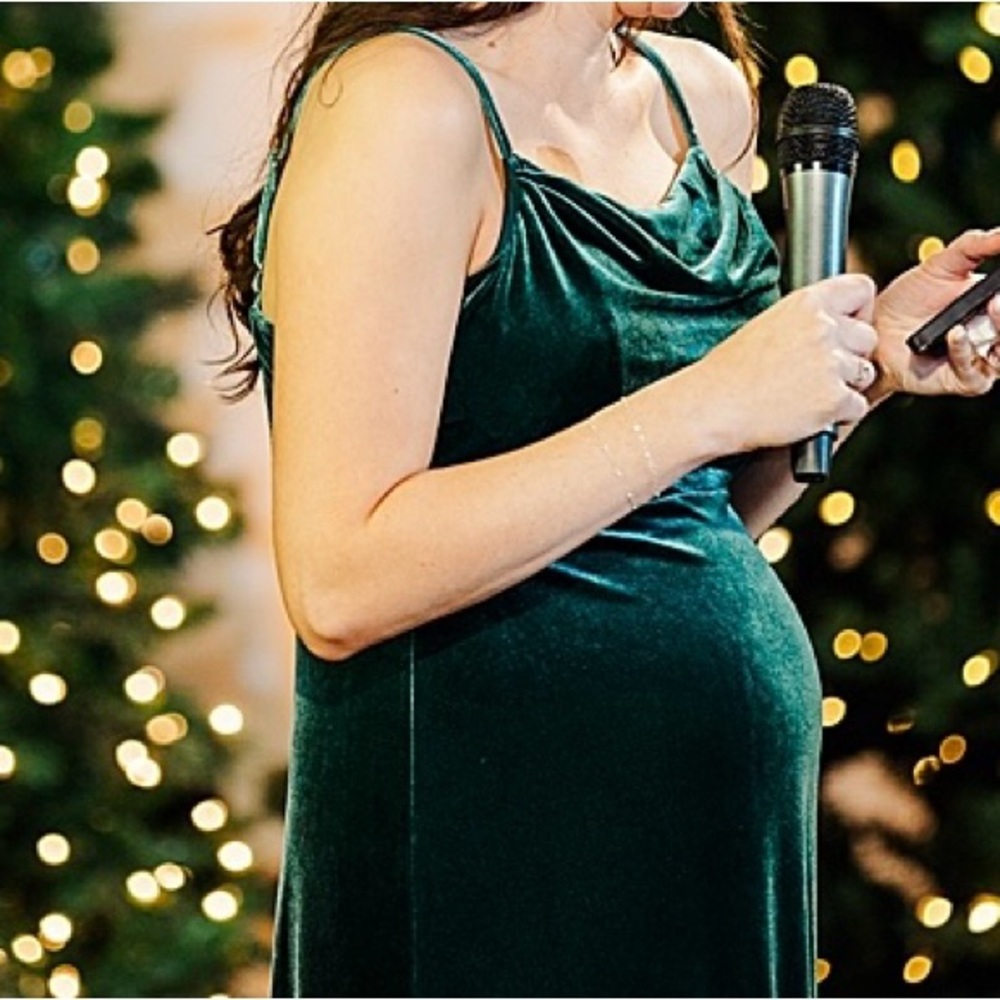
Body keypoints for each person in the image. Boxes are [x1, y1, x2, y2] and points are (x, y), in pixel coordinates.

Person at [214, 3, 1000, 996]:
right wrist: (707, 403)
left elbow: (687, 516)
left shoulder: (700, 98)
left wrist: (875, 357)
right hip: (489, 836)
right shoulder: (400, 102)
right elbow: (339, 580)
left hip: (714, 841)